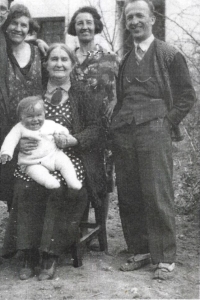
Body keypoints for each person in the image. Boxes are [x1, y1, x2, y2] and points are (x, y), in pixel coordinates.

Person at [2, 43, 107, 281]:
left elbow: (97, 129)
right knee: (26, 183)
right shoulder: (34, 92)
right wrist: (21, 144)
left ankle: (49, 253)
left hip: (70, 156)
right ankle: (28, 252)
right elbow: (15, 125)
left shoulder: (83, 93)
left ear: (72, 65)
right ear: (46, 64)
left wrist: (74, 140)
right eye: (54, 59)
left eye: (64, 59)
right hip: (33, 157)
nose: (59, 64)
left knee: (61, 185)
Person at [110, 0, 196, 280]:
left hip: (154, 131)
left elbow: (186, 96)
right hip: (125, 132)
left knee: (157, 193)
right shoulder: (124, 60)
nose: (134, 21)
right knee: (130, 192)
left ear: (152, 20)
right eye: (129, 17)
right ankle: (140, 249)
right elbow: (121, 99)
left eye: (139, 16)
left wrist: (167, 123)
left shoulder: (169, 54)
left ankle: (164, 257)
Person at [68, 6, 119, 249]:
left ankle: (101, 233)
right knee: (77, 173)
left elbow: (119, 91)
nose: (85, 27)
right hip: (74, 126)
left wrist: (115, 103)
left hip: (103, 127)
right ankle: (77, 229)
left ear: (96, 25)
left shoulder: (109, 57)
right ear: (74, 27)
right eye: (80, 23)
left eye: (89, 22)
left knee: (101, 178)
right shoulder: (67, 56)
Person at [0, 3, 46, 211]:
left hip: (35, 126)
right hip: (7, 127)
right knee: (11, 183)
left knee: (36, 178)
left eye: (23, 25)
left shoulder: (39, 52)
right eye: (14, 24)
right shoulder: (2, 51)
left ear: (30, 29)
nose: (18, 29)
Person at [0, 96, 82, 190]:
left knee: (65, 162)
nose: (35, 119)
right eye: (30, 116)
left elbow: (62, 130)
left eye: (39, 115)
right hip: (31, 161)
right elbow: (10, 140)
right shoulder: (19, 128)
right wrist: (6, 152)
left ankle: (72, 181)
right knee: (36, 172)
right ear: (21, 117)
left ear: (44, 114)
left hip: (53, 155)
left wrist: (63, 135)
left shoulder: (50, 124)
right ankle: (49, 181)